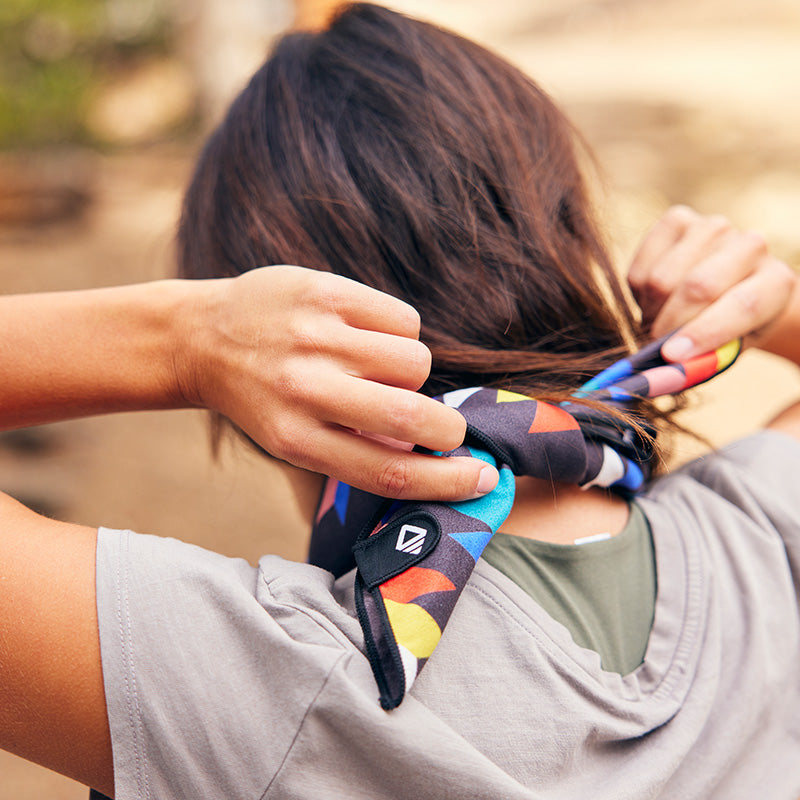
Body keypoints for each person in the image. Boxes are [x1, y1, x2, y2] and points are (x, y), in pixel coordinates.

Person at [1, 3, 799, 798]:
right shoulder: (763, 532)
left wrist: (179, 341)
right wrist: (769, 313)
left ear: (247, 406)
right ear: (566, 240)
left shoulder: (262, 678)